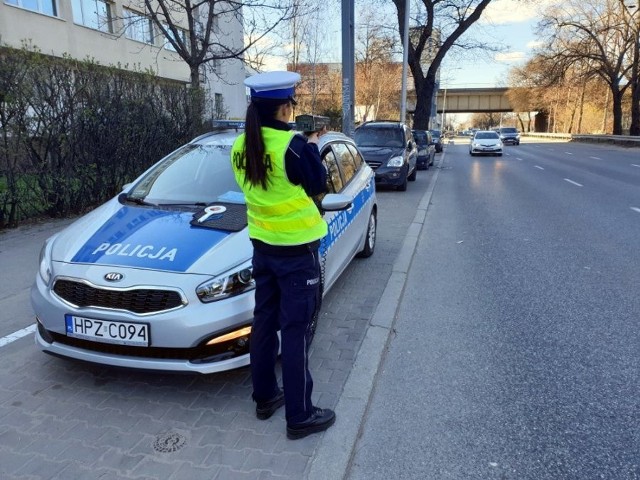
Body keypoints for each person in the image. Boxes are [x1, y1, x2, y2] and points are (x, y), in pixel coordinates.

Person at [230, 71, 336, 440]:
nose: (295, 109)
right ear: (284, 106)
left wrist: (305, 144)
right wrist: (312, 147)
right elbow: (319, 184)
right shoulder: (294, 147)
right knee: (295, 331)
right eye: (293, 103)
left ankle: (264, 397)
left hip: (262, 249)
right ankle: (300, 415)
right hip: (296, 254)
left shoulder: (240, 146)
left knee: (263, 321)